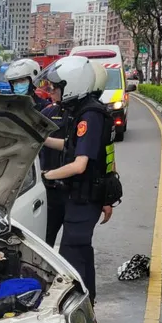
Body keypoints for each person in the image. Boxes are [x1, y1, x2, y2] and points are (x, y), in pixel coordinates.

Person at [37, 55, 117, 302]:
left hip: (86, 196)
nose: (51, 92)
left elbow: (80, 164)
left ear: (72, 85)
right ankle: (88, 302)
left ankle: (80, 305)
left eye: (55, 87)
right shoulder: (82, 111)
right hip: (81, 195)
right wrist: (41, 139)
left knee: (72, 257)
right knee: (81, 253)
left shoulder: (90, 116)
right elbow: (71, 146)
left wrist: (46, 176)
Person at [39, 83, 69, 247]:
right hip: (50, 187)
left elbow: (77, 148)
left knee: (73, 244)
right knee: (45, 239)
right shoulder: (47, 113)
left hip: (74, 189)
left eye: (55, 88)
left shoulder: (85, 115)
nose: (51, 92)